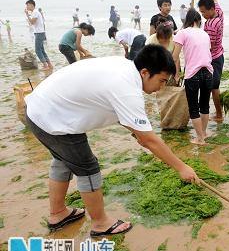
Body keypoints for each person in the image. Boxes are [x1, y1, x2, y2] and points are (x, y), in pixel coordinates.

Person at [24, 45, 200, 237]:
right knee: (87, 167)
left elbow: (126, 119)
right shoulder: (127, 89)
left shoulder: (123, 68)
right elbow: (149, 139)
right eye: (162, 80)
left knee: (63, 160)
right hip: (52, 117)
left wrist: (138, 133)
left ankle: (58, 214)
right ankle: (100, 224)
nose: (162, 87)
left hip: (41, 109)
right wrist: (182, 167)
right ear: (145, 72)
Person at [172, 9, 213, 145]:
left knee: (193, 107)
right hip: (208, 72)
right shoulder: (205, 34)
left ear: (187, 21)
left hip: (193, 74)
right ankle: (204, 133)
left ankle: (200, 138)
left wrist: (176, 73)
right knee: (205, 105)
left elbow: (174, 56)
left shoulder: (182, 33)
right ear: (198, 21)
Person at [190, 0, 225, 122]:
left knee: (214, 87)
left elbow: (207, 46)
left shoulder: (210, 25)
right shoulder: (219, 13)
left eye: (204, 12)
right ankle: (217, 112)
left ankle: (219, 114)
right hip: (220, 55)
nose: (202, 15)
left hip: (213, 59)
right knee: (212, 86)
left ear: (211, 10)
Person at [24, 0, 52, 69]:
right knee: (42, 50)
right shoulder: (34, 12)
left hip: (39, 33)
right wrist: (28, 15)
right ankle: (49, 64)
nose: (26, 7)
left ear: (31, 5)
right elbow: (32, 22)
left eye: (27, 5)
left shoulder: (35, 12)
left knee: (37, 50)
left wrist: (27, 15)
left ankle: (45, 65)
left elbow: (32, 22)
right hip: (40, 33)